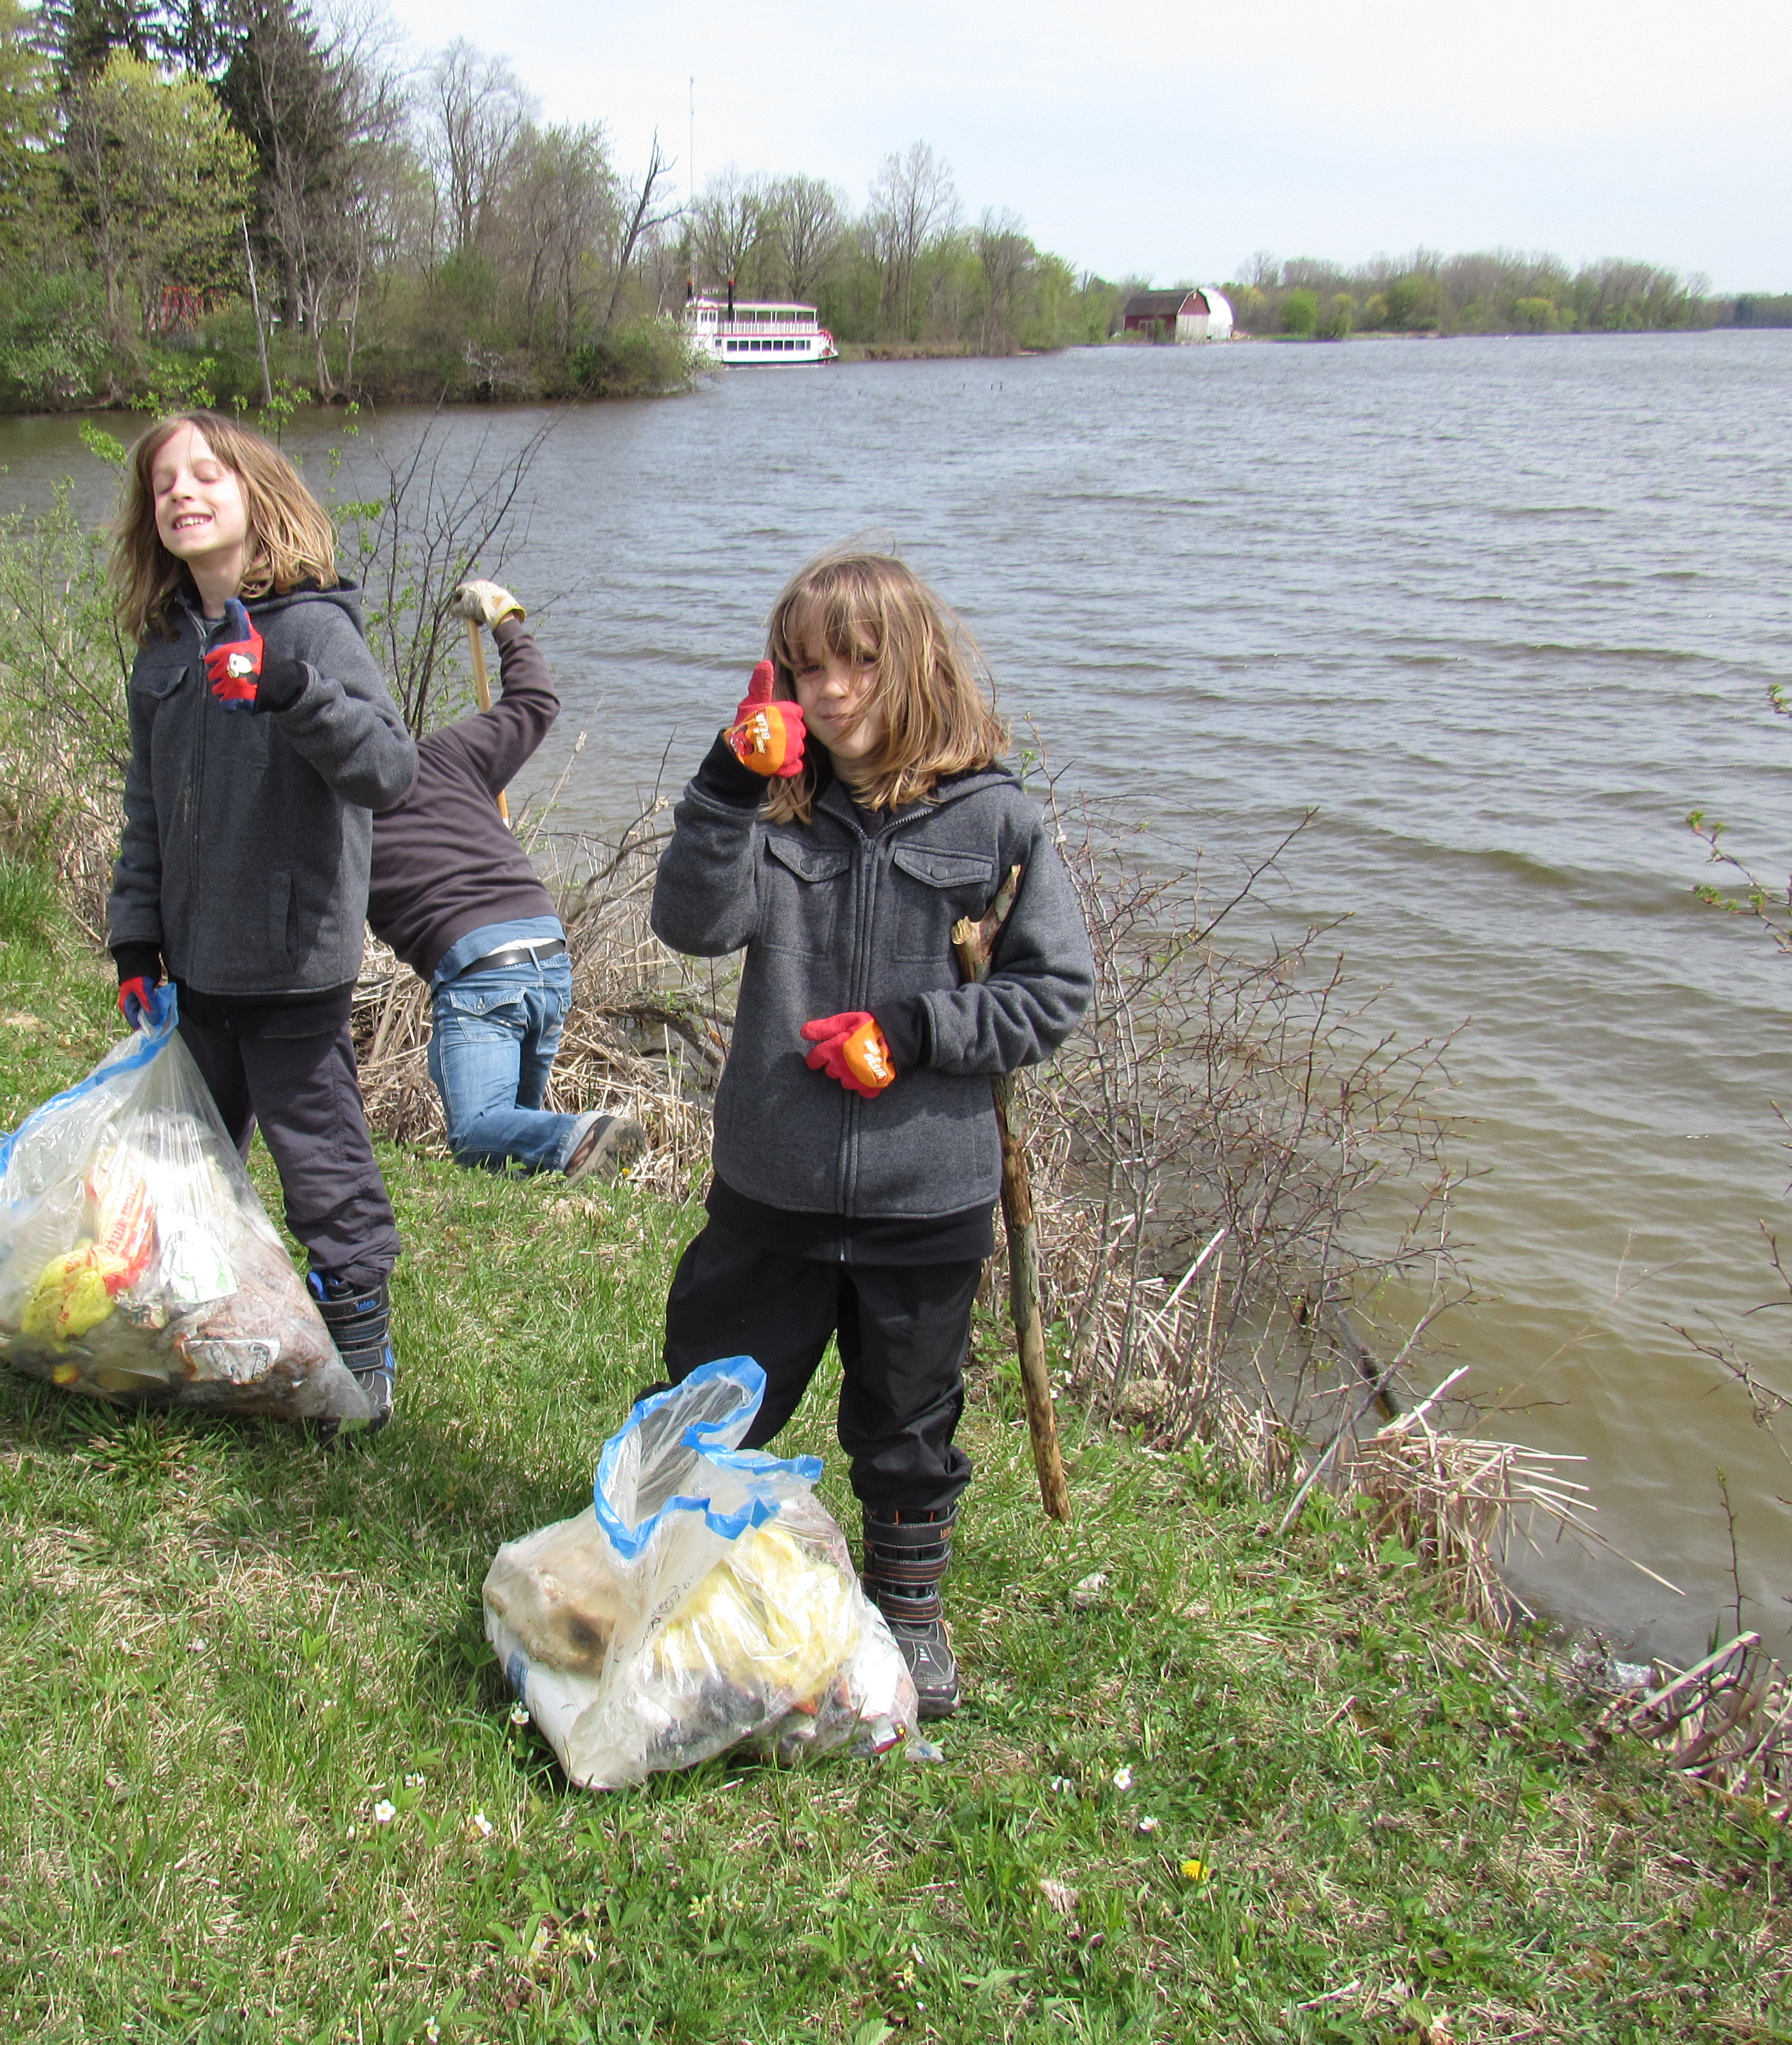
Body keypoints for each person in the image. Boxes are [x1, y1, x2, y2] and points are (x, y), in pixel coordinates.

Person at [647, 548, 1094, 1716]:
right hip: (772, 1186)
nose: (829, 690)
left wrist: (913, 1031)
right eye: (803, 667)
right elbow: (690, 924)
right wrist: (727, 779)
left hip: (923, 1200)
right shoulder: (773, 802)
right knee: (713, 1382)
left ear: (916, 666)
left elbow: (1054, 992)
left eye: (855, 662)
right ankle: (663, 1561)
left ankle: (908, 1618)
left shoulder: (995, 819)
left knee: (908, 1421)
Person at [103, 409, 419, 1429]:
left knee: (319, 1161)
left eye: (207, 476)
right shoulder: (161, 653)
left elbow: (388, 769)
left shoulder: (314, 629)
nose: (183, 494)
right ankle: (190, 1325)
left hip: (291, 963)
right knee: (186, 1160)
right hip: (193, 970)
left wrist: (287, 688)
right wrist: (133, 938)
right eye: (164, 486)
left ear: (257, 498)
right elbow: (145, 811)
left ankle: (361, 1346)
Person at [365, 578, 646, 1181]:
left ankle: (587, 1131)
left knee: (476, 1132)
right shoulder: (441, 753)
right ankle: (559, 1176)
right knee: (515, 1142)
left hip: (479, 973)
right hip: (548, 952)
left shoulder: (339, 817)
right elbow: (536, 702)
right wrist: (506, 618)